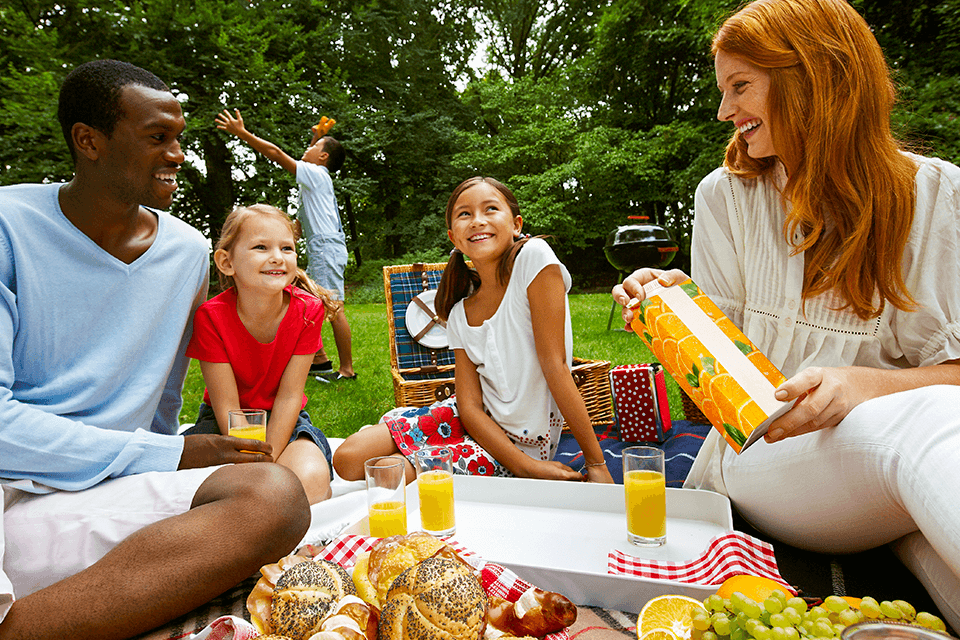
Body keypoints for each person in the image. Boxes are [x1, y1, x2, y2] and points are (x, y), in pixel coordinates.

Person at [613, 0, 960, 627]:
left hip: (887, 473)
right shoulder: (727, 196)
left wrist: (863, 387)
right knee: (931, 428)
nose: (724, 112)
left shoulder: (937, 195)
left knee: (932, 544)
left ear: (816, 78)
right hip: (768, 453)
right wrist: (676, 317)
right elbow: (715, 405)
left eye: (740, 86)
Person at [0, 60, 310, 640]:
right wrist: (168, 456)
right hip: (11, 482)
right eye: (156, 138)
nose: (177, 155)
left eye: (179, 138)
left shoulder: (186, 252)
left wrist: (169, 454)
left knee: (274, 497)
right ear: (88, 141)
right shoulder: (7, 225)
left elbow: (163, 404)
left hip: (102, 491)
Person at [334, 177, 615, 485]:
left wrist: (594, 463)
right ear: (454, 237)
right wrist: (522, 468)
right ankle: (427, 446)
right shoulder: (459, 313)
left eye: (491, 209)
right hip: (465, 419)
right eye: (465, 214)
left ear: (516, 224)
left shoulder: (534, 259)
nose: (478, 221)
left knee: (388, 474)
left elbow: (556, 366)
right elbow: (468, 407)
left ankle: (427, 455)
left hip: (518, 446)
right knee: (347, 459)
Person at [184, 203, 339, 504]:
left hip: (285, 420)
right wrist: (252, 466)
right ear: (226, 262)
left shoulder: (308, 311)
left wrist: (268, 459)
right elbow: (228, 406)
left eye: (287, 248)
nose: (278, 258)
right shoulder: (211, 317)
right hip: (224, 424)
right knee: (197, 491)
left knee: (310, 482)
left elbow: (290, 396)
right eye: (260, 247)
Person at [214, 109, 356, 381]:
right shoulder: (314, 178)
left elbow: (279, 155)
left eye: (314, 146)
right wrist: (316, 136)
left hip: (326, 246)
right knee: (304, 297)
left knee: (332, 305)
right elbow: (306, 201)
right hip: (320, 245)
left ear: (323, 158)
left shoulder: (316, 174)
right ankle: (320, 360)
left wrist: (242, 133)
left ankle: (347, 369)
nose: (308, 148)